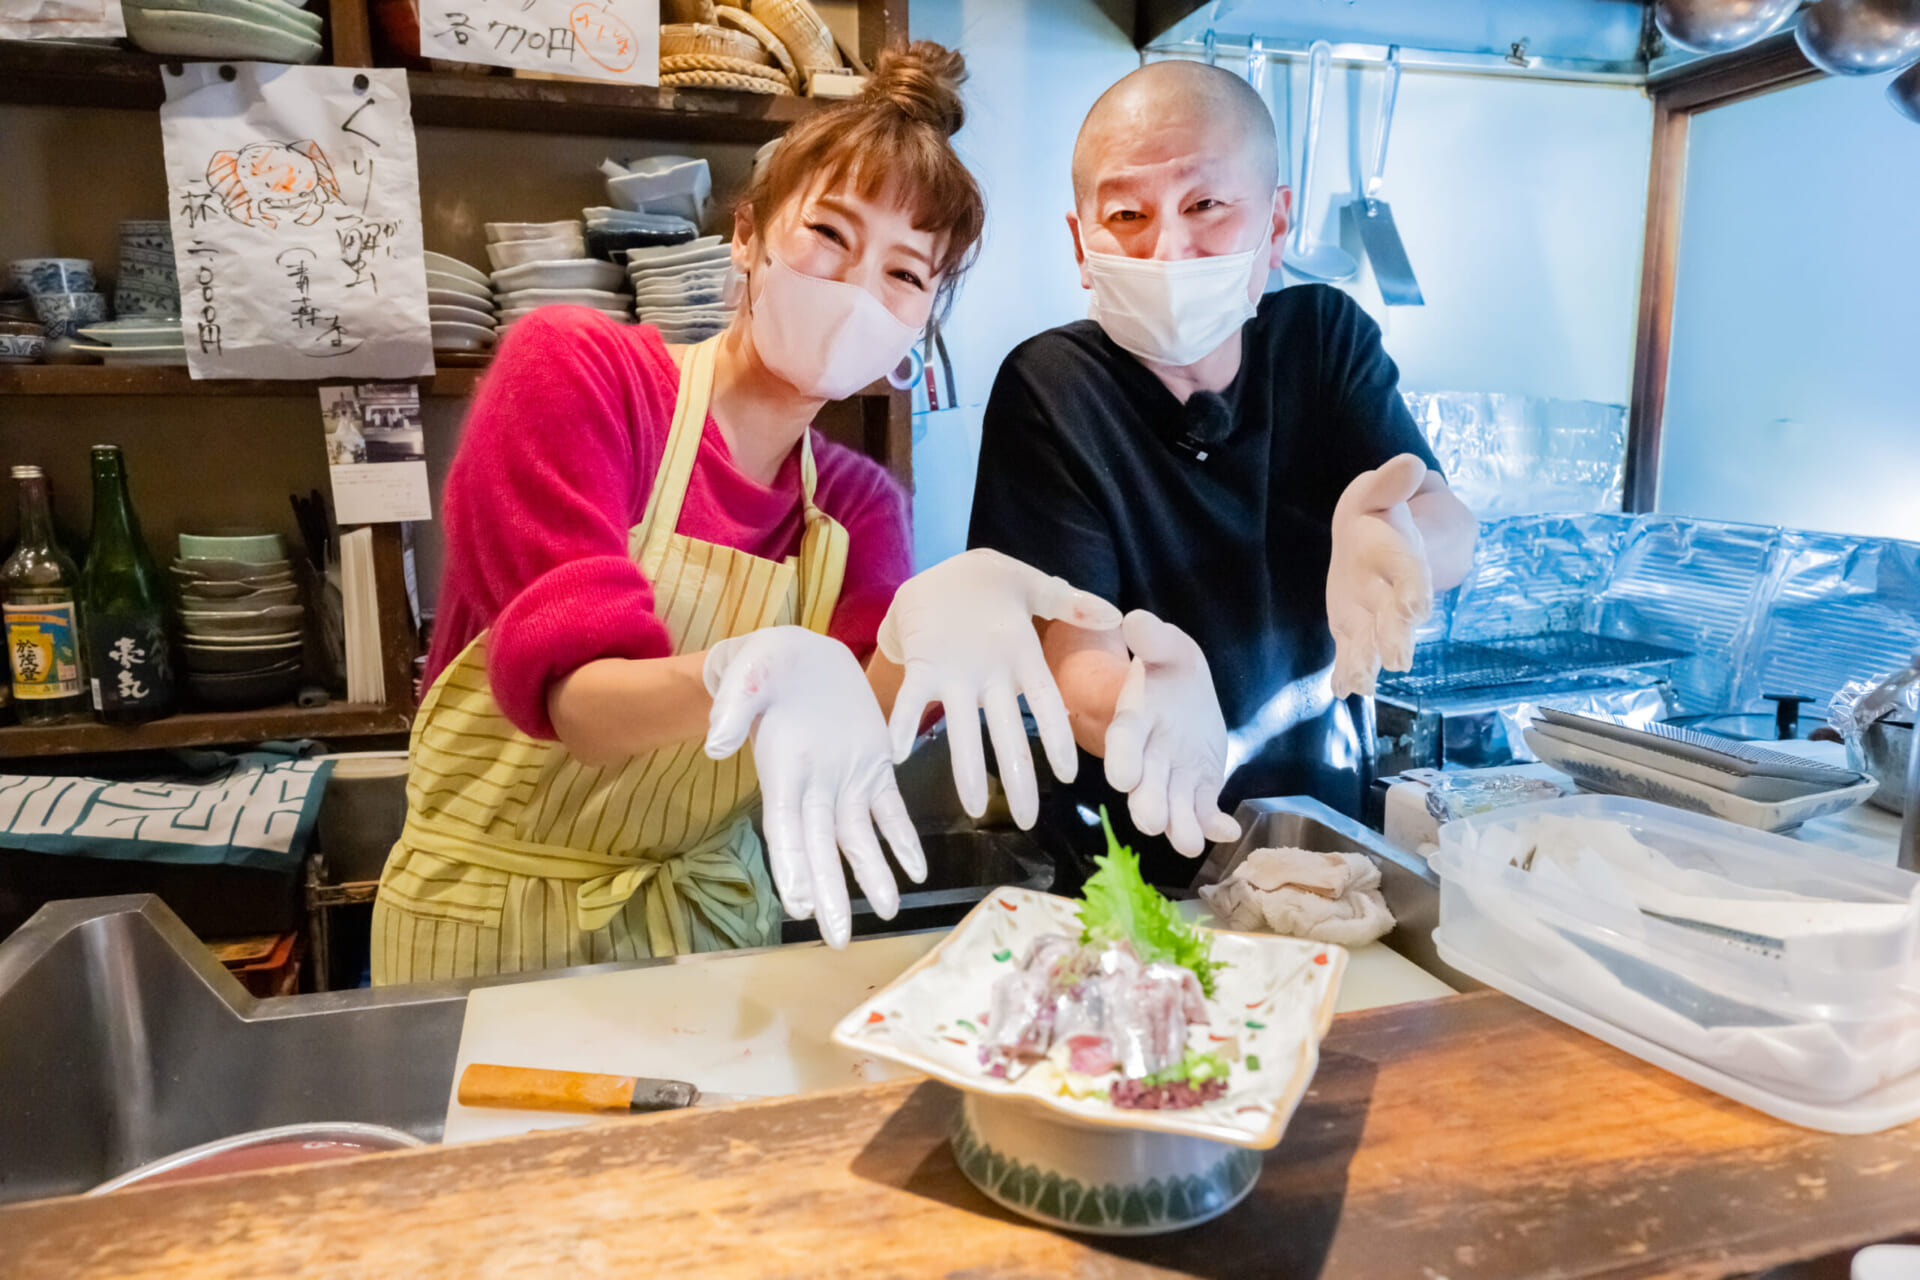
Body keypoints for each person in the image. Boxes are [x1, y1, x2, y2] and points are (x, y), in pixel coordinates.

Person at [371, 43, 1017, 983]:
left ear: (923, 322)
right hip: (491, 930)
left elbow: (871, 720)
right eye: (830, 235)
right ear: (748, 238)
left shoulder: (856, 504)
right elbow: (579, 706)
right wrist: (743, 672)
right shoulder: (580, 374)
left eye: (906, 274)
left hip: (709, 939)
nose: (854, 290)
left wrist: (958, 624)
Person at [967, 59, 1479, 884]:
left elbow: (1446, 523)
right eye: (1127, 214)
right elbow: (1074, 655)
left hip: (1325, 851)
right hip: (1128, 875)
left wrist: (1397, 533)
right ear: (1080, 244)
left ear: (1276, 226)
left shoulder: (1322, 339)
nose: (1168, 248)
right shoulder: (1054, 388)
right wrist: (1143, 706)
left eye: (1206, 205)